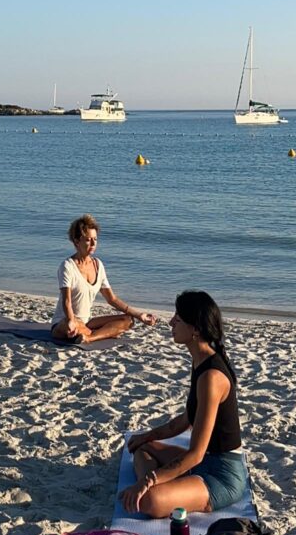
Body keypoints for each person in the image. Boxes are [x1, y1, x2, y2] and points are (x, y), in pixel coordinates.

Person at [117, 290, 250, 518]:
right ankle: (164, 486)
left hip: (222, 475)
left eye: (177, 319)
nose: (171, 323)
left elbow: (196, 454)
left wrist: (148, 481)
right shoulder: (200, 360)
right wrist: (148, 436)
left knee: (150, 501)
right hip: (204, 462)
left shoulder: (211, 376)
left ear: (195, 329)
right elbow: (185, 420)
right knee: (142, 448)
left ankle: (157, 488)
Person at [51, 214, 157, 345]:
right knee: (73, 324)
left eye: (95, 239)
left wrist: (139, 315)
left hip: (87, 322)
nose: (93, 243)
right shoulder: (67, 266)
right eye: (88, 240)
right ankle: (100, 334)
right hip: (64, 323)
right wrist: (71, 321)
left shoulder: (98, 265)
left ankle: (89, 337)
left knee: (128, 320)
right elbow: (66, 302)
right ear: (76, 241)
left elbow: (112, 299)